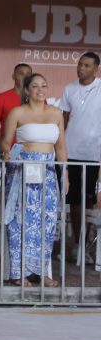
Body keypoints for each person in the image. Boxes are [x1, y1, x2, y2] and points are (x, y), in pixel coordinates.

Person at [0, 73, 68, 287]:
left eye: (44, 85)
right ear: (27, 90)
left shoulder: (57, 113)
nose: (40, 89)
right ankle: (18, 273)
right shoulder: (17, 112)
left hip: (47, 172)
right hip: (22, 171)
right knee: (20, 222)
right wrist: (6, 153)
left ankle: (42, 271)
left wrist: (64, 174)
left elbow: (61, 147)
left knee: (46, 223)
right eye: (35, 86)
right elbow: (5, 142)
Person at [58, 52, 101, 252]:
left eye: (86, 65)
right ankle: (78, 243)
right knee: (74, 198)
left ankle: (87, 243)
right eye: (79, 65)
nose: (81, 69)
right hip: (71, 151)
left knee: (89, 199)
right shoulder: (69, 89)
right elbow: (63, 120)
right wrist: (59, 145)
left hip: (94, 153)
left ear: (96, 68)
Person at [0, 63, 32, 140]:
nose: (25, 77)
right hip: (9, 149)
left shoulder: (37, 99)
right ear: (13, 77)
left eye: (28, 74)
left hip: (34, 149)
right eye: (21, 74)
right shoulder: (2, 97)